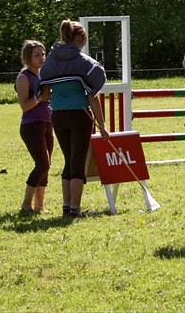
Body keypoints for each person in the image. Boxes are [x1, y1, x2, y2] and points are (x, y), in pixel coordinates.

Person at [39, 20, 108, 218]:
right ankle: (75, 210)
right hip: (80, 114)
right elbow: (92, 97)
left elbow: (44, 93)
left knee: (68, 161)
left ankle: (67, 206)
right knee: (78, 163)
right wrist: (102, 125)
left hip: (58, 116)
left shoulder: (50, 62)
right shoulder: (84, 63)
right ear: (79, 38)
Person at [15, 40, 53, 214]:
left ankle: (39, 206)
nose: (41, 58)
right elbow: (24, 105)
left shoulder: (43, 75)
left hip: (47, 123)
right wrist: (39, 96)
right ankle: (25, 204)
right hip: (31, 126)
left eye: (43, 54)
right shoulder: (24, 77)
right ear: (28, 57)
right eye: (37, 55)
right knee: (42, 164)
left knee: (47, 165)